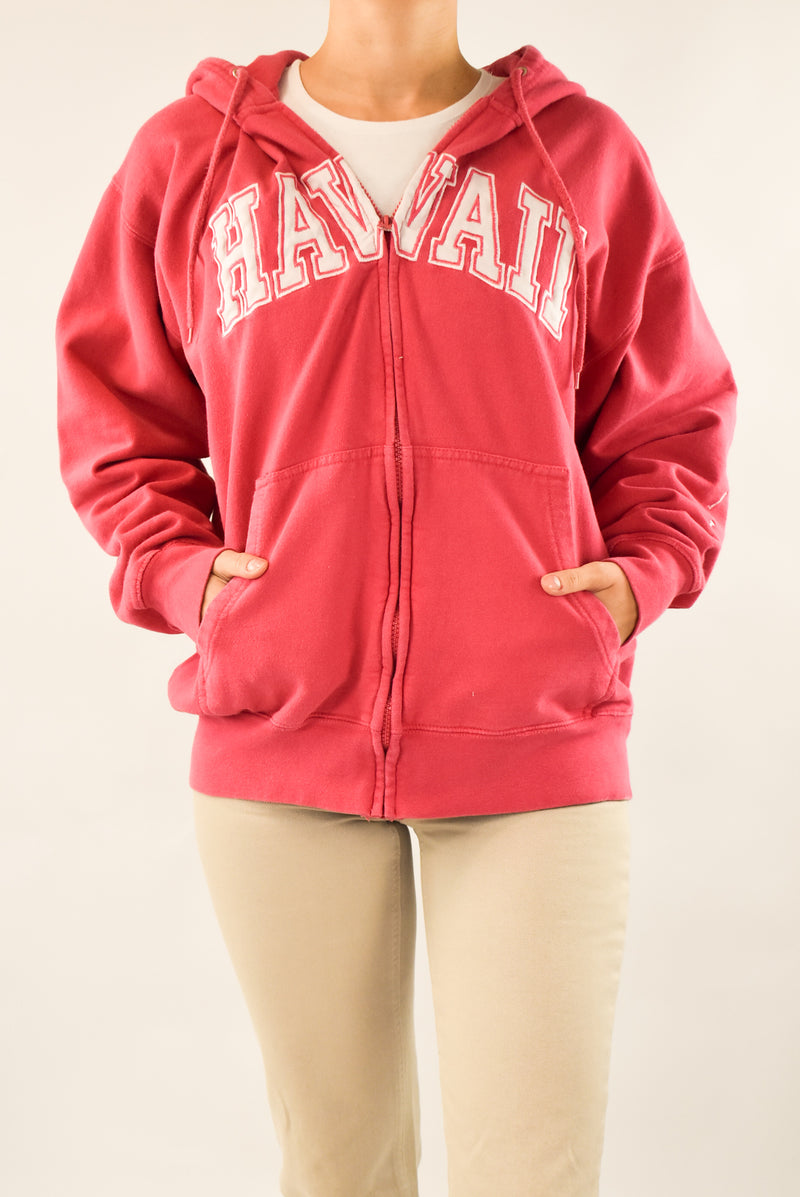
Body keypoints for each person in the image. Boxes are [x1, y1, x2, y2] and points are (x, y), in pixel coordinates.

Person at [56, 1, 737, 1193]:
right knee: (339, 1171)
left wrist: (632, 586)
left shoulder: (580, 153)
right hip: (278, 737)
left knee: (531, 1175)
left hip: (533, 743)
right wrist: (184, 577)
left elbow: (671, 417)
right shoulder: (189, 155)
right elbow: (115, 412)